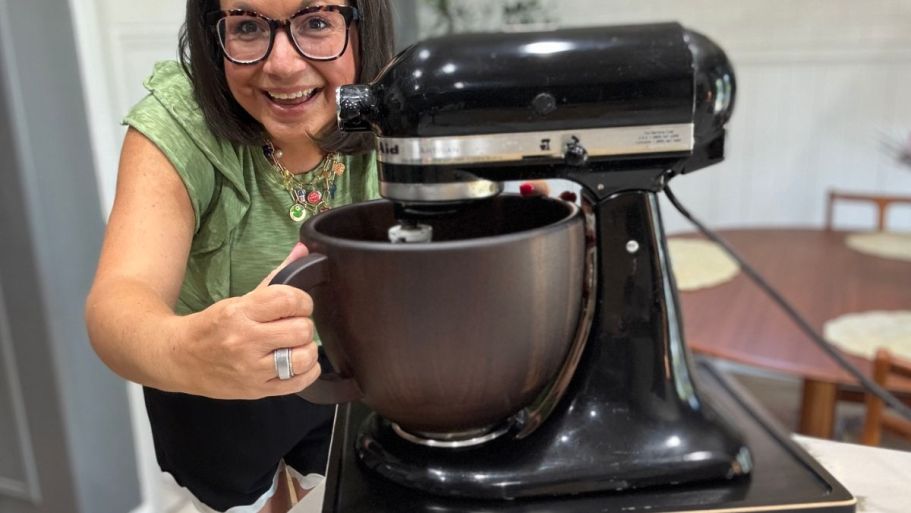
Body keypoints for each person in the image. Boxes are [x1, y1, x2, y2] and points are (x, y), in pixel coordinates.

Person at [85, 1, 394, 512]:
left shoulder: (395, 106)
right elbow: (116, 305)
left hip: (340, 383)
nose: (283, 64)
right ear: (213, 34)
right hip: (210, 406)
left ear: (363, 23)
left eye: (317, 22)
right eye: (248, 27)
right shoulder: (180, 123)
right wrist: (189, 349)